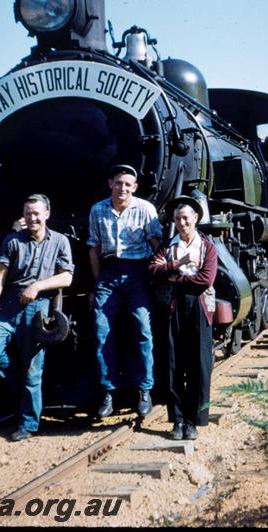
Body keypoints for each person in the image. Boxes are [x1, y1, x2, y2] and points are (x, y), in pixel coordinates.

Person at [0, 194, 74, 441]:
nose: (32, 218)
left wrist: (38, 286)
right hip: (9, 305)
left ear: (47, 214)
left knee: (33, 369)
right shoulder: (12, 242)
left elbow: (67, 277)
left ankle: (28, 424)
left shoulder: (60, 241)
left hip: (38, 306)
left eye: (36, 213)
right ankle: (20, 388)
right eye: (28, 213)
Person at [88, 164, 162, 418]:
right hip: (108, 273)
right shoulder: (97, 210)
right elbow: (94, 250)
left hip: (138, 273)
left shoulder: (145, 209)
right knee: (101, 331)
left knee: (143, 328)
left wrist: (159, 277)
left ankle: (145, 389)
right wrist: (97, 283)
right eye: (118, 183)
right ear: (111, 183)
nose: (123, 188)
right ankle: (108, 391)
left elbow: (156, 245)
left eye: (128, 184)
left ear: (135, 187)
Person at [148, 198, 217, 440]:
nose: (182, 223)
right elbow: (152, 271)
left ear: (195, 218)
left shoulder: (208, 247)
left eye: (186, 218)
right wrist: (177, 265)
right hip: (172, 307)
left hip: (198, 307)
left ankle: (193, 420)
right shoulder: (167, 246)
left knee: (199, 365)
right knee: (172, 364)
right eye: (177, 219)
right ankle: (177, 420)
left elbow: (205, 280)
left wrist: (173, 278)